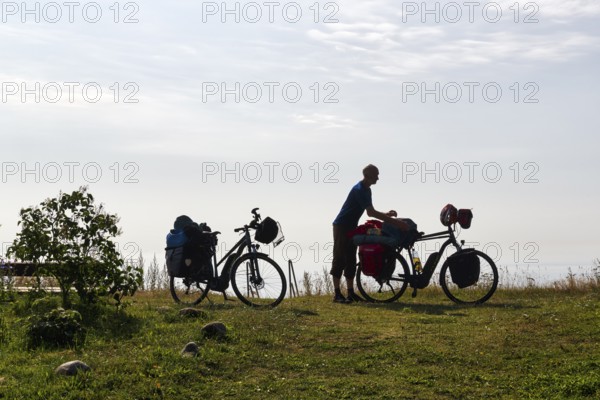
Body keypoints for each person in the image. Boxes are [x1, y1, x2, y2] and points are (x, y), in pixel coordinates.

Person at [331, 164, 410, 303]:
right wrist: (396, 223)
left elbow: (370, 209)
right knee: (340, 258)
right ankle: (337, 294)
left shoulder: (367, 190)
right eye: (376, 175)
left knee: (351, 258)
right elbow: (371, 213)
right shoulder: (359, 189)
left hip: (352, 226)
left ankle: (350, 293)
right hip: (341, 226)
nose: (378, 178)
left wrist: (386, 215)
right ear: (367, 176)